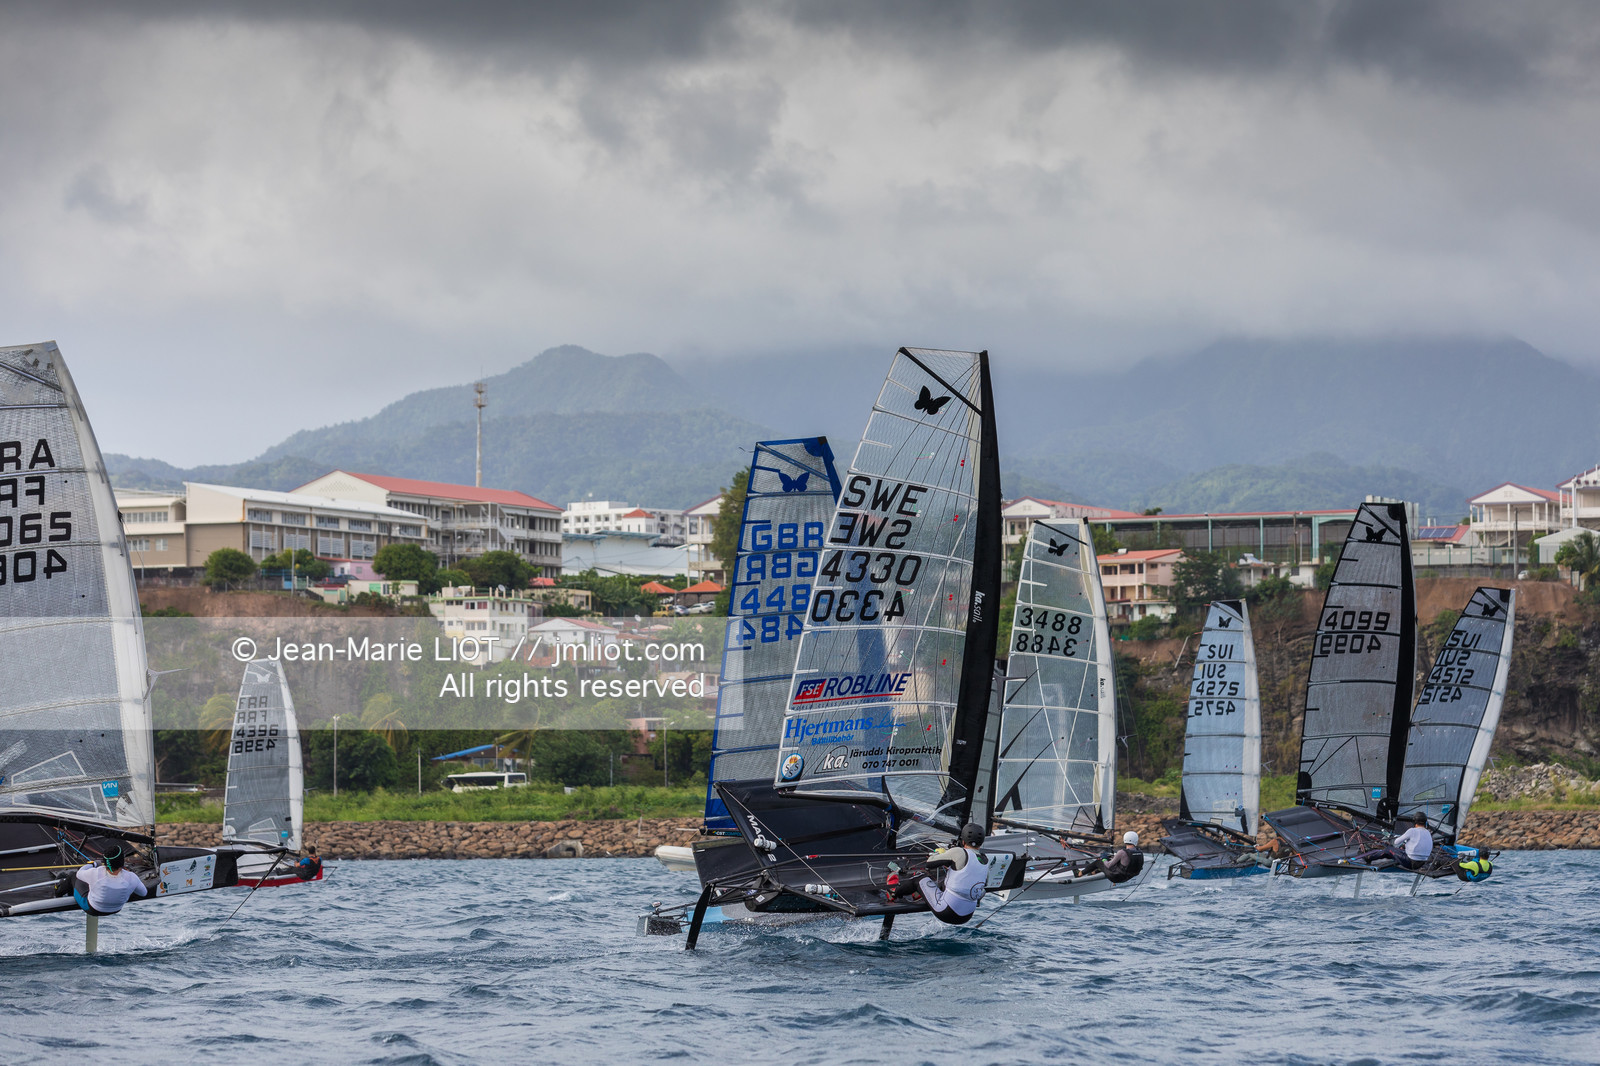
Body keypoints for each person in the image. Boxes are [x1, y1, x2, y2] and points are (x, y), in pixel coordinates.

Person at [891, 823, 990, 925]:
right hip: (967, 916)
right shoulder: (985, 860)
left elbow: (929, 863)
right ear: (981, 843)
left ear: (963, 840)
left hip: (946, 912)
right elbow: (979, 881)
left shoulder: (958, 852)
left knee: (919, 877)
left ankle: (895, 893)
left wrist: (942, 854)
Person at [71, 846, 149, 916]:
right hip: (116, 910)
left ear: (105, 862)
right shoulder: (132, 877)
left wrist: (93, 864)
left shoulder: (95, 873)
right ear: (122, 861)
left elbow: (79, 874)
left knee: (73, 876)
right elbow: (143, 893)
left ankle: (59, 892)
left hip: (93, 909)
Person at [1080, 830, 1145, 884]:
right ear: (1136, 840)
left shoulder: (1122, 852)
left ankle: (1080, 873)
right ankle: (1093, 872)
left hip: (1116, 878)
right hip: (1128, 877)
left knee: (1098, 862)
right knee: (1112, 862)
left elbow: (1108, 865)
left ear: (1125, 839)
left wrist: (1104, 858)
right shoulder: (1140, 852)